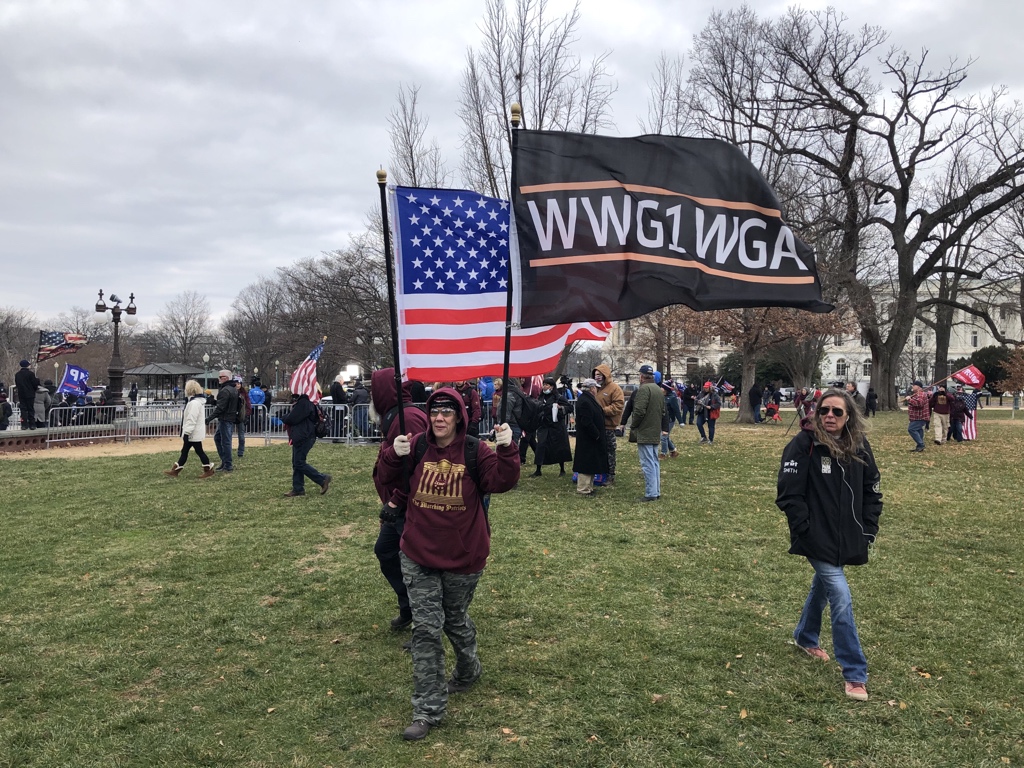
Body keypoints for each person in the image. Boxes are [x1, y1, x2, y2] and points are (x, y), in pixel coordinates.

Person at [377, 388, 520, 741]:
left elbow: (501, 481)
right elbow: (389, 480)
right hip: (418, 553)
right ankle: (427, 710)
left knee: (454, 619)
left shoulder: (475, 450)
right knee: (426, 628)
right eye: (435, 412)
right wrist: (392, 456)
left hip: (463, 556)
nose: (439, 418)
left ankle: (469, 669)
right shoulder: (417, 446)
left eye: (447, 412)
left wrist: (507, 448)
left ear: (458, 416)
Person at [776, 387, 882, 702]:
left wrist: (868, 530)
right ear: (816, 413)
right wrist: (804, 529)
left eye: (837, 411)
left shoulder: (860, 446)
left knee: (822, 586)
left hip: (848, 537)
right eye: (824, 411)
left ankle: (805, 636)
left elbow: (872, 490)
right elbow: (788, 494)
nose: (830, 416)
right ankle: (854, 673)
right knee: (840, 594)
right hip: (815, 538)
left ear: (848, 416)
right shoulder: (803, 445)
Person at [371, 368, 430, 632]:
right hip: (397, 509)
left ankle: (424, 621)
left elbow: (419, 467)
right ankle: (408, 607)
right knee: (385, 551)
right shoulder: (394, 418)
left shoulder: (410, 419)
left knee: (417, 567)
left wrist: (397, 500)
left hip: (410, 508)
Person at [280, 392, 331, 497]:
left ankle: (322, 479)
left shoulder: (304, 403)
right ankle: (298, 488)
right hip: (302, 436)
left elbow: (292, 418)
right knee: (296, 462)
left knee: (299, 462)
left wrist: (284, 417)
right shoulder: (307, 403)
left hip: (304, 436)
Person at [163, 379, 216, 478]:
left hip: (192, 432)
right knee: (187, 451)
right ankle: (176, 470)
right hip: (193, 432)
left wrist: (187, 432)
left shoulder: (194, 403)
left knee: (196, 451)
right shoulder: (195, 402)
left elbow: (191, 419)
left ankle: (208, 469)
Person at [631, 365, 666, 502]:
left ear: (641, 376)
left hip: (645, 431)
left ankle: (651, 493)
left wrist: (634, 425)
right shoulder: (658, 389)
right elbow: (663, 411)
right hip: (654, 429)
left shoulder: (644, 389)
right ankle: (655, 491)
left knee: (647, 463)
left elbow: (639, 411)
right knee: (654, 462)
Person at [530, 377, 572, 477]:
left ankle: (562, 469)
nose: (544, 387)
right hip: (544, 426)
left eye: (547, 385)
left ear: (552, 387)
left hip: (556, 427)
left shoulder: (559, 397)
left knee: (559, 448)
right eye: (544, 384)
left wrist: (560, 407)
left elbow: (570, 407)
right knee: (540, 447)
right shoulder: (540, 397)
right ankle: (538, 469)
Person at [573, 378, 608, 496]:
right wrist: (596, 434)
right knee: (586, 463)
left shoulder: (588, 399)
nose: (597, 390)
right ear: (592, 388)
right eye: (596, 388)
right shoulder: (585, 401)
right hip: (588, 438)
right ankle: (583, 488)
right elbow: (586, 421)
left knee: (592, 462)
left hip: (591, 438)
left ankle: (589, 486)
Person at [592, 364, 625, 485]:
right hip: (596, 426)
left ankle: (610, 475)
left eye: (600, 375)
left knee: (609, 451)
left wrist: (602, 411)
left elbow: (618, 406)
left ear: (606, 375)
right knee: (597, 450)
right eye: (596, 375)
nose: (598, 377)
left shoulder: (614, 389)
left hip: (608, 426)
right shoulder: (594, 388)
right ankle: (599, 473)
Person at [205, 370, 239, 472]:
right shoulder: (233, 389)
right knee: (220, 439)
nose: (219, 379)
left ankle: (227, 465)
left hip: (225, 419)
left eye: (221, 377)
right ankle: (225, 463)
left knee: (225, 442)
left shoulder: (225, 390)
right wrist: (214, 401)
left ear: (226, 378)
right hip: (228, 418)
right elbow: (223, 405)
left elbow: (220, 408)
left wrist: (208, 419)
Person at [905, 380, 930, 453]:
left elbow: (919, 404)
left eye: (914, 385)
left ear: (918, 387)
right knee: (919, 430)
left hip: (920, 417)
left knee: (911, 429)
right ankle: (919, 446)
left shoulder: (921, 394)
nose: (912, 386)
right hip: (916, 417)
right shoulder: (916, 394)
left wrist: (910, 400)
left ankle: (921, 444)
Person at [14, 360, 39, 430]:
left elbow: (17, 384)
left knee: (23, 410)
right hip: (30, 394)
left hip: (21, 394)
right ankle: (32, 424)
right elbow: (34, 384)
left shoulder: (17, 374)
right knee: (30, 409)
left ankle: (24, 424)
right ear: (27, 365)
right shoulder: (31, 374)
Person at [695, 381, 722, 445]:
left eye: (707, 388)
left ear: (710, 388)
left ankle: (711, 439)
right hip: (702, 412)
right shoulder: (701, 393)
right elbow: (696, 400)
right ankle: (703, 437)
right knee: (699, 423)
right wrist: (697, 402)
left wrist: (711, 407)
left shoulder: (715, 395)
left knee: (711, 427)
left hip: (710, 413)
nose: (705, 389)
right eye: (705, 387)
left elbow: (718, 403)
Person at [660, 382, 680, 458]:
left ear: (665, 389)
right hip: (662, 419)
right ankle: (673, 451)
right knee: (666, 436)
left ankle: (663, 453)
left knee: (663, 436)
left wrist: (681, 421)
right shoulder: (661, 396)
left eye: (662, 387)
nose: (660, 388)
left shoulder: (672, 398)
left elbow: (676, 410)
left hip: (670, 420)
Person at [329, 375, 348, 442]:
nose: (343, 382)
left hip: (335, 406)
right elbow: (342, 397)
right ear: (340, 380)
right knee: (339, 422)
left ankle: (335, 436)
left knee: (336, 422)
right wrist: (345, 396)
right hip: (340, 407)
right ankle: (337, 437)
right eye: (342, 380)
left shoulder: (332, 387)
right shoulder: (339, 387)